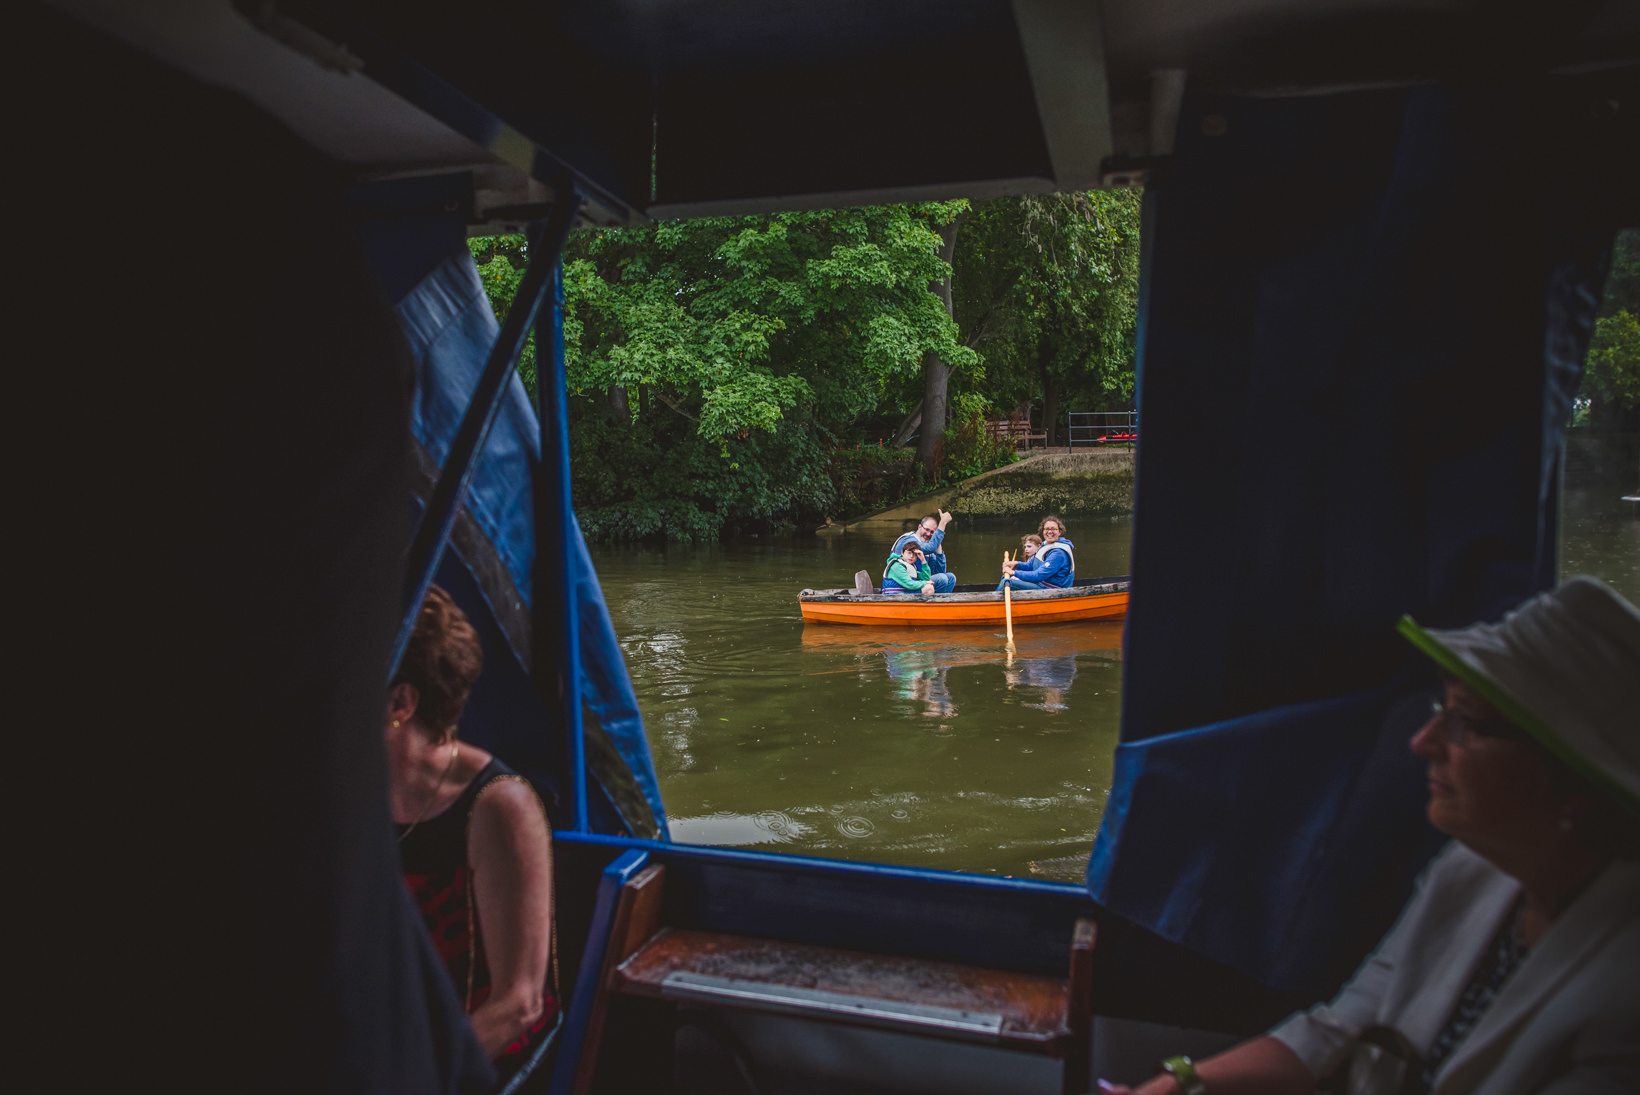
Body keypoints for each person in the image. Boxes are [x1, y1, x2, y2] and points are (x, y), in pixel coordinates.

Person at [1099, 576, 1640, 1095]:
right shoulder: (1471, 872)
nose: (1424, 741)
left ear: (1574, 781)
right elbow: (1342, 1030)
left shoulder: (1622, 1001)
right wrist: (1179, 1084)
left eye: (1466, 723)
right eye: (1439, 710)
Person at [388, 585, 559, 1071]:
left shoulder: (500, 808)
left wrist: (409, 1076)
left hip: (473, 1063)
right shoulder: (348, 794)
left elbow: (518, 1004)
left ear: (400, 702)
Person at [998, 515, 1075, 592]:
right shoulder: (1045, 545)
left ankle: (992, 601)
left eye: (1053, 529)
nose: (1050, 531)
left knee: (1008, 582)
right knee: (1005, 577)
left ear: (1059, 532)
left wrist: (1013, 572)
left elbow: (1038, 575)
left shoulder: (1058, 553)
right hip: (1041, 583)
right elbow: (1031, 566)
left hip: (1052, 589)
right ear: (1043, 531)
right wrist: (1016, 564)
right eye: (1047, 529)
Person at [890, 510, 957, 591]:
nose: (928, 534)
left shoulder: (927, 547)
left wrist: (938, 547)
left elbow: (939, 572)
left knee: (950, 577)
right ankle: (936, 601)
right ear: (919, 526)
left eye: (932, 532)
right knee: (941, 579)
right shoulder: (908, 539)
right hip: (904, 584)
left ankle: (941, 602)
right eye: (926, 529)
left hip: (917, 580)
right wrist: (942, 523)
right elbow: (931, 547)